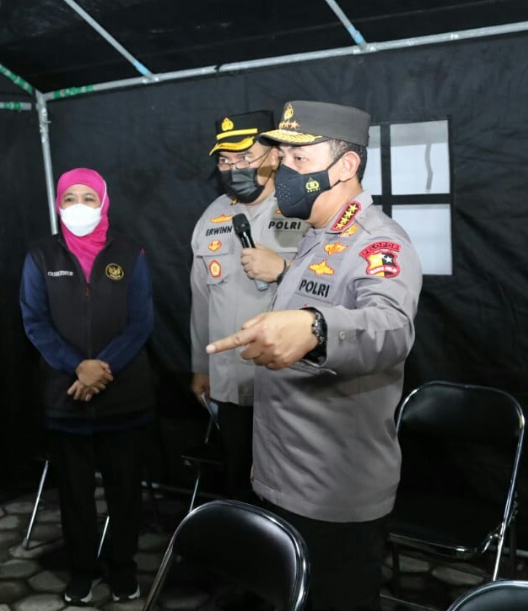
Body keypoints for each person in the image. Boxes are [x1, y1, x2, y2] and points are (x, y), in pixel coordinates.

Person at [207, 100, 422, 610]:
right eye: (282, 159)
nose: (284, 172)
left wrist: (318, 328)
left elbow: (392, 326)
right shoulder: (316, 236)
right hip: (281, 477)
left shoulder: (376, 241)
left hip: (333, 493)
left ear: (346, 166)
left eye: (300, 160)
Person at [20, 168, 154, 606]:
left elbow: (141, 321)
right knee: (74, 495)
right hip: (67, 396)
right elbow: (34, 322)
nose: (79, 206)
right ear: (58, 205)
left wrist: (101, 369)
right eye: (70, 198)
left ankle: (123, 567)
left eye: (88, 198)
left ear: (104, 203)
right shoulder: (41, 256)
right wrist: (78, 367)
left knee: (125, 491)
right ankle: (82, 570)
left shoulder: (130, 252)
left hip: (123, 395)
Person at [190, 110, 308, 502]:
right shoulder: (212, 216)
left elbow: (333, 289)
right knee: (239, 487)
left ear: (274, 155)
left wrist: (283, 271)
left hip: (289, 384)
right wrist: (201, 365)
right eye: (225, 161)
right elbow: (201, 298)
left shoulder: (304, 209)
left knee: (289, 490)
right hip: (230, 383)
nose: (234, 168)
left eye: (244, 157)